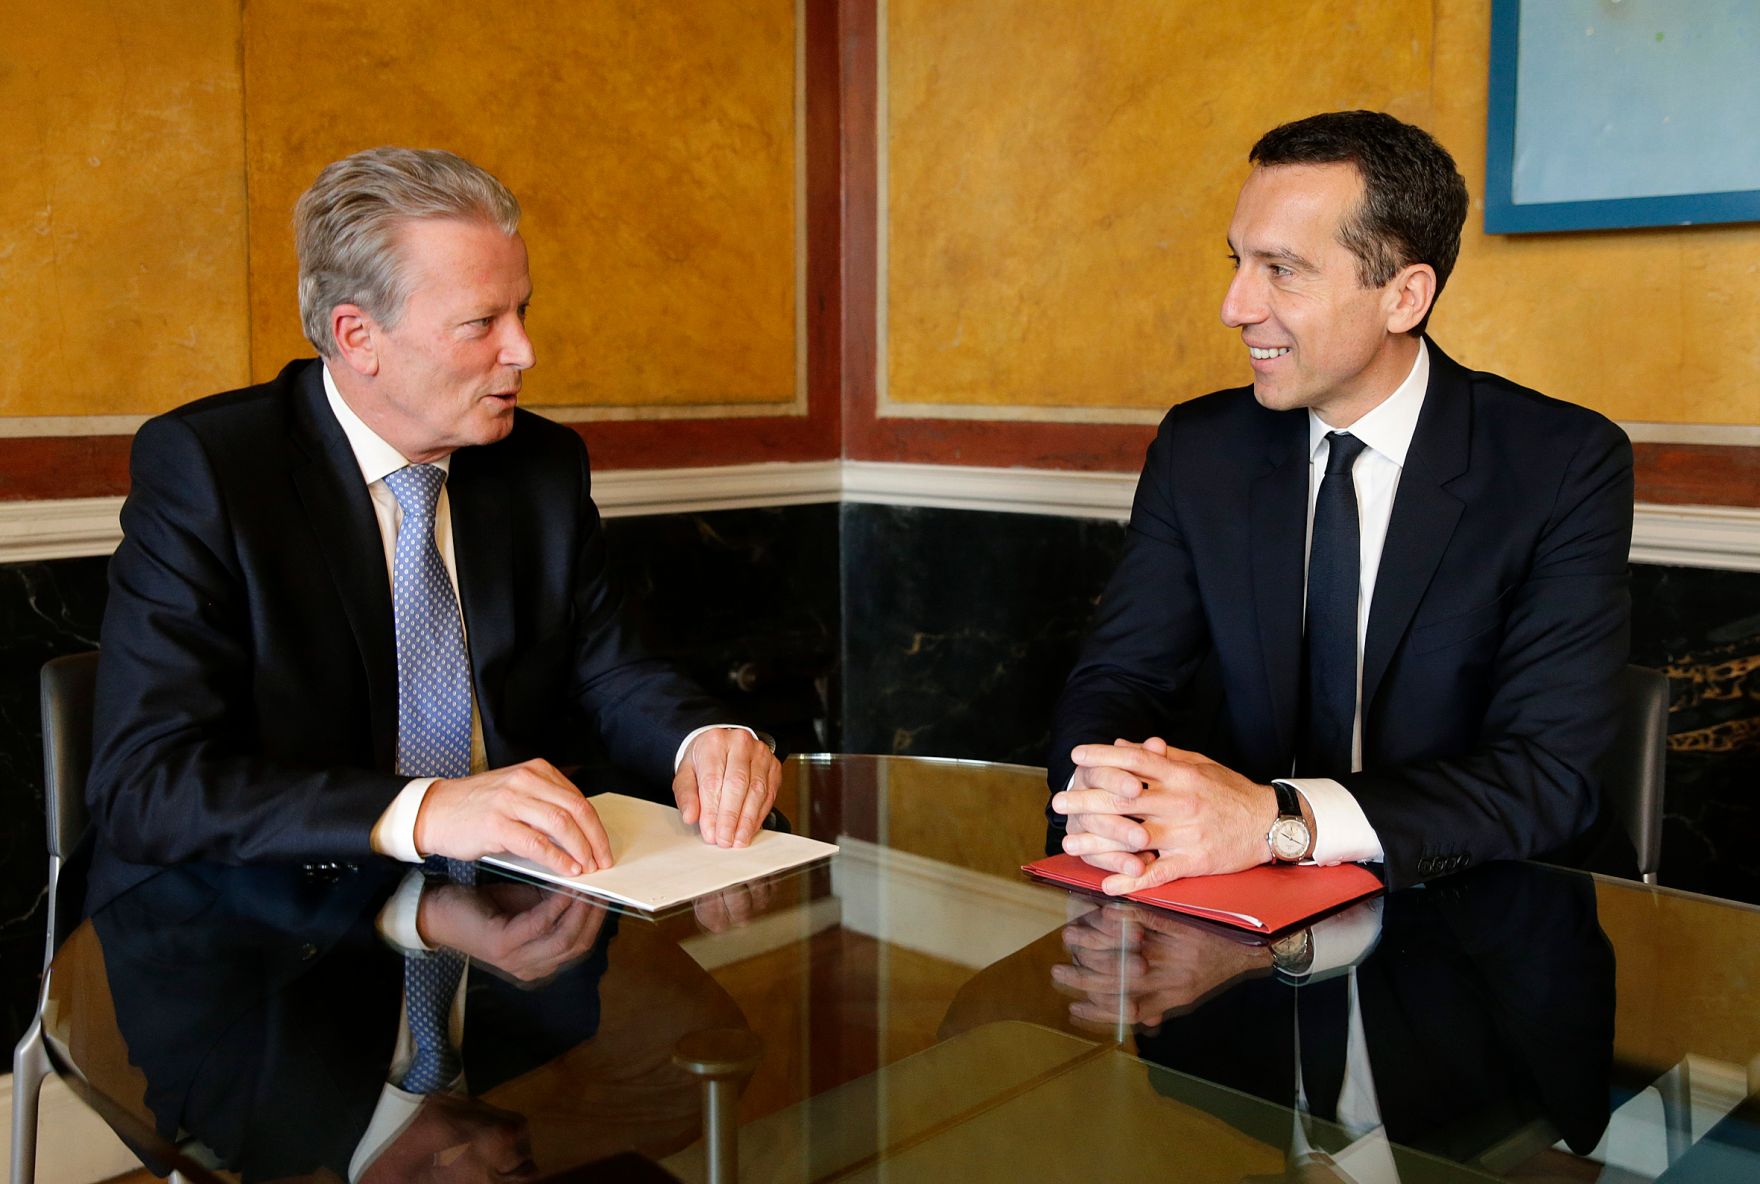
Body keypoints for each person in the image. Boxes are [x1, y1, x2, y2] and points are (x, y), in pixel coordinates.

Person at [87, 147, 781, 905]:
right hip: (263, 932)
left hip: (515, 920)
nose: (524, 351)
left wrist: (704, 742)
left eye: (523, 311)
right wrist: (425, 809)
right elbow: (146, 785)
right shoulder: (213, 471)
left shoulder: (539, 464)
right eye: (481, 322)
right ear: (358, 337)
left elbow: (610, 670)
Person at [1048, 110, 1634, 893]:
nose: (1235, 306)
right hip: (1236, 917)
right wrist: (1109, 804)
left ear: (1404, 297)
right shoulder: (1201, 448)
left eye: (1281, 269)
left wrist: (1279, 819)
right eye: (1239, 261)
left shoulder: (1561, 463)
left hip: (1487, 923)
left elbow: (1548, 774)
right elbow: (1121, 680)